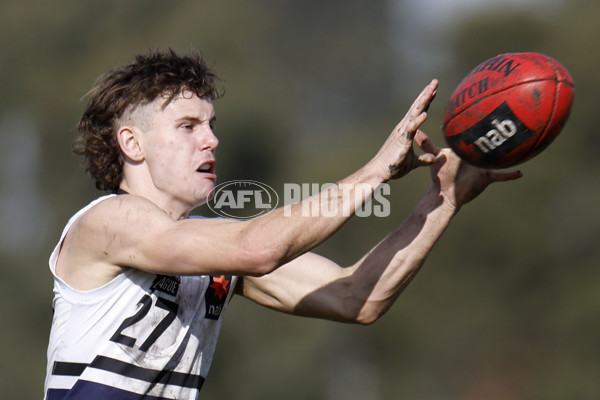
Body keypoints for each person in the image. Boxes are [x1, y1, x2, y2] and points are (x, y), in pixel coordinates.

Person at [43, 49, 522, 400]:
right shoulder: (108, 222)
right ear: (132, 143)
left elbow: (355, 297)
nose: (211, 140)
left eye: (211, 125)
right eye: (188, 126)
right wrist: (376, 169)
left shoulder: (212, 250)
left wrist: (443, 199)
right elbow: (257, 247)